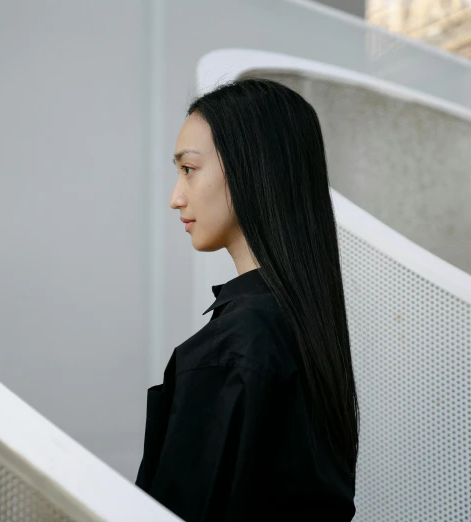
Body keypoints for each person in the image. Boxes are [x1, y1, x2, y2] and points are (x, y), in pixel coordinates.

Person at [135, 78, 359, 521]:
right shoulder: (301, 324)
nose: (175, 198)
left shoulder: (240, 342)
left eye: (189, 169)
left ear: (251, 167)